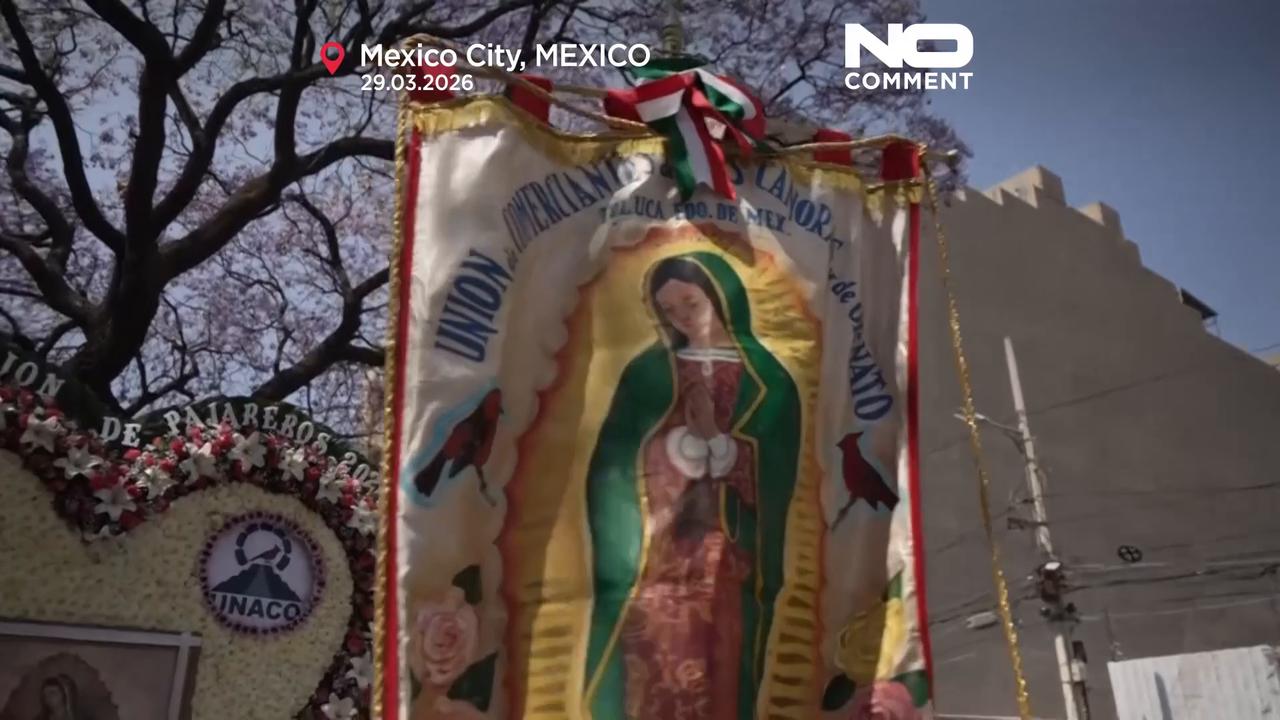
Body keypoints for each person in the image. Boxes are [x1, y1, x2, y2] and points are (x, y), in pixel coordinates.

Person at [583, 252, 801, 720]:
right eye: (670, 311)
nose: (682, 318)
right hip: (660, 552)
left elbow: (780, 464)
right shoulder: (647, 372)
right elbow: (614, 463)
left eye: (691, 304)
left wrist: (720, 444)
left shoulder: (768, 378)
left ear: (721, 299)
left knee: (724, 659)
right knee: (656, 659)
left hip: (733, 553)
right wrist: (676, 449)